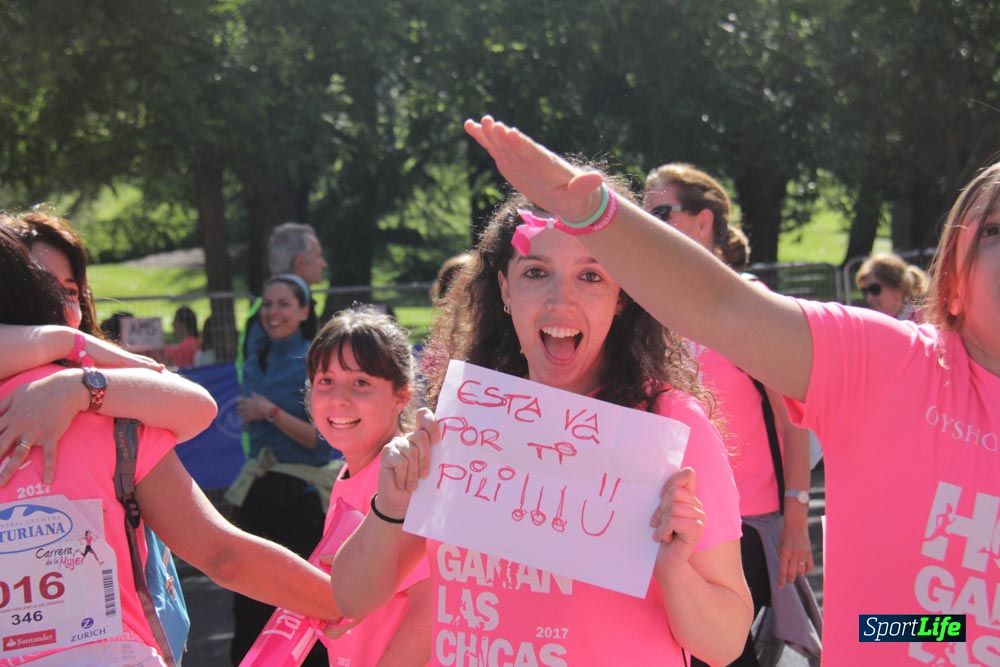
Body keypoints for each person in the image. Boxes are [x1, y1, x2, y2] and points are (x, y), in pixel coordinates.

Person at [463, 116, 1000, 665]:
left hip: (741, 525)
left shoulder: (673, 415)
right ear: (952, 278)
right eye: (996, 229)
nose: (561, 297)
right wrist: (589, 210)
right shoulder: (889, 364)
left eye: (591, 276)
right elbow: (872, 627)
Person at [333, 166, 752, 665]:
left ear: (621, 297)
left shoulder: (670, 428)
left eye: (591, 276)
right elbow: (352, 598)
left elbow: (726, 644)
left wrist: (675, 570)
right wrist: (390, 504)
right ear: (505, 289)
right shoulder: (471, 423)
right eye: (536, 272)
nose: (561, 299)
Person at [0, 227, 343, 666]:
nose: (68, 305)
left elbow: (197, 406)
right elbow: (221, 554)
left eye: (73, 289)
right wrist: (345, 604)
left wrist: (82, 378)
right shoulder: (112, 416)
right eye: (53, 287)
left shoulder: (110, 404)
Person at [645, 163, 819, 665]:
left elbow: (794, 419)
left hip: (747, 527)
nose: (648, 225)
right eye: (644, 213)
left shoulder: (752, 303)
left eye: (661, 212)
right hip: (667, 523)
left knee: (731, 656)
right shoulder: (648, 306)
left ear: (703, 222)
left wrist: (795, 520)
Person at [0, 211, 216, 479]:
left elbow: (201, 407)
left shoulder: (94, 389)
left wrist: (79, 388)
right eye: (43, 288)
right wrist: (69, 341)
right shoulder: (74, 348)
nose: (60, 306)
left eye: (70, 292)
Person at [306, 305, 432, 666]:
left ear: (401, 397)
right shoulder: (350, 474)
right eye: (325, 381)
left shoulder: (406, 476)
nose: (339, 398)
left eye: (361, 383)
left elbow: (432, 609)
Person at [228, 273, 338, 666]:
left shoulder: (313, 361)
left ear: (304, 311)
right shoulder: (255, 354)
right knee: (251, 606)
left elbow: (322, 440)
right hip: (259, 492)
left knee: (299, 606)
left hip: (300, 502)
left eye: (285, 304)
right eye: (268, 304)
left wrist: (270, 413)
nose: (273, 312)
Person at [855, 252, 929, 321]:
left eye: (874, 289)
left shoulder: (921, 321)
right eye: (865, 291)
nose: (869, 298)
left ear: (900, 287)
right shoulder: (871, 322)